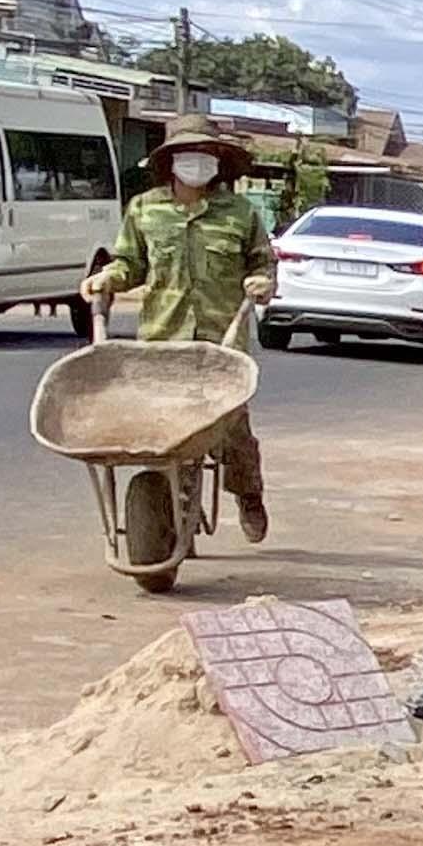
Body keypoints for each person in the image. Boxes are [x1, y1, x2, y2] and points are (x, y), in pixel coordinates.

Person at [81, 114, 277, 543]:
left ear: (218, 163)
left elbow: (262, 261)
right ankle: (163, 510)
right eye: (188, 156)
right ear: (170, 162)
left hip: (220, 345)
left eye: (206, 156)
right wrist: (107, 279)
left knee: (233, 430)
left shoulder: (239, 214)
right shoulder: (145, 210)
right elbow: (130, 263)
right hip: (162, 343)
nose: (197, 164)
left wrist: (262, 282)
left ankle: (248, 494)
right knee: (161, 433)